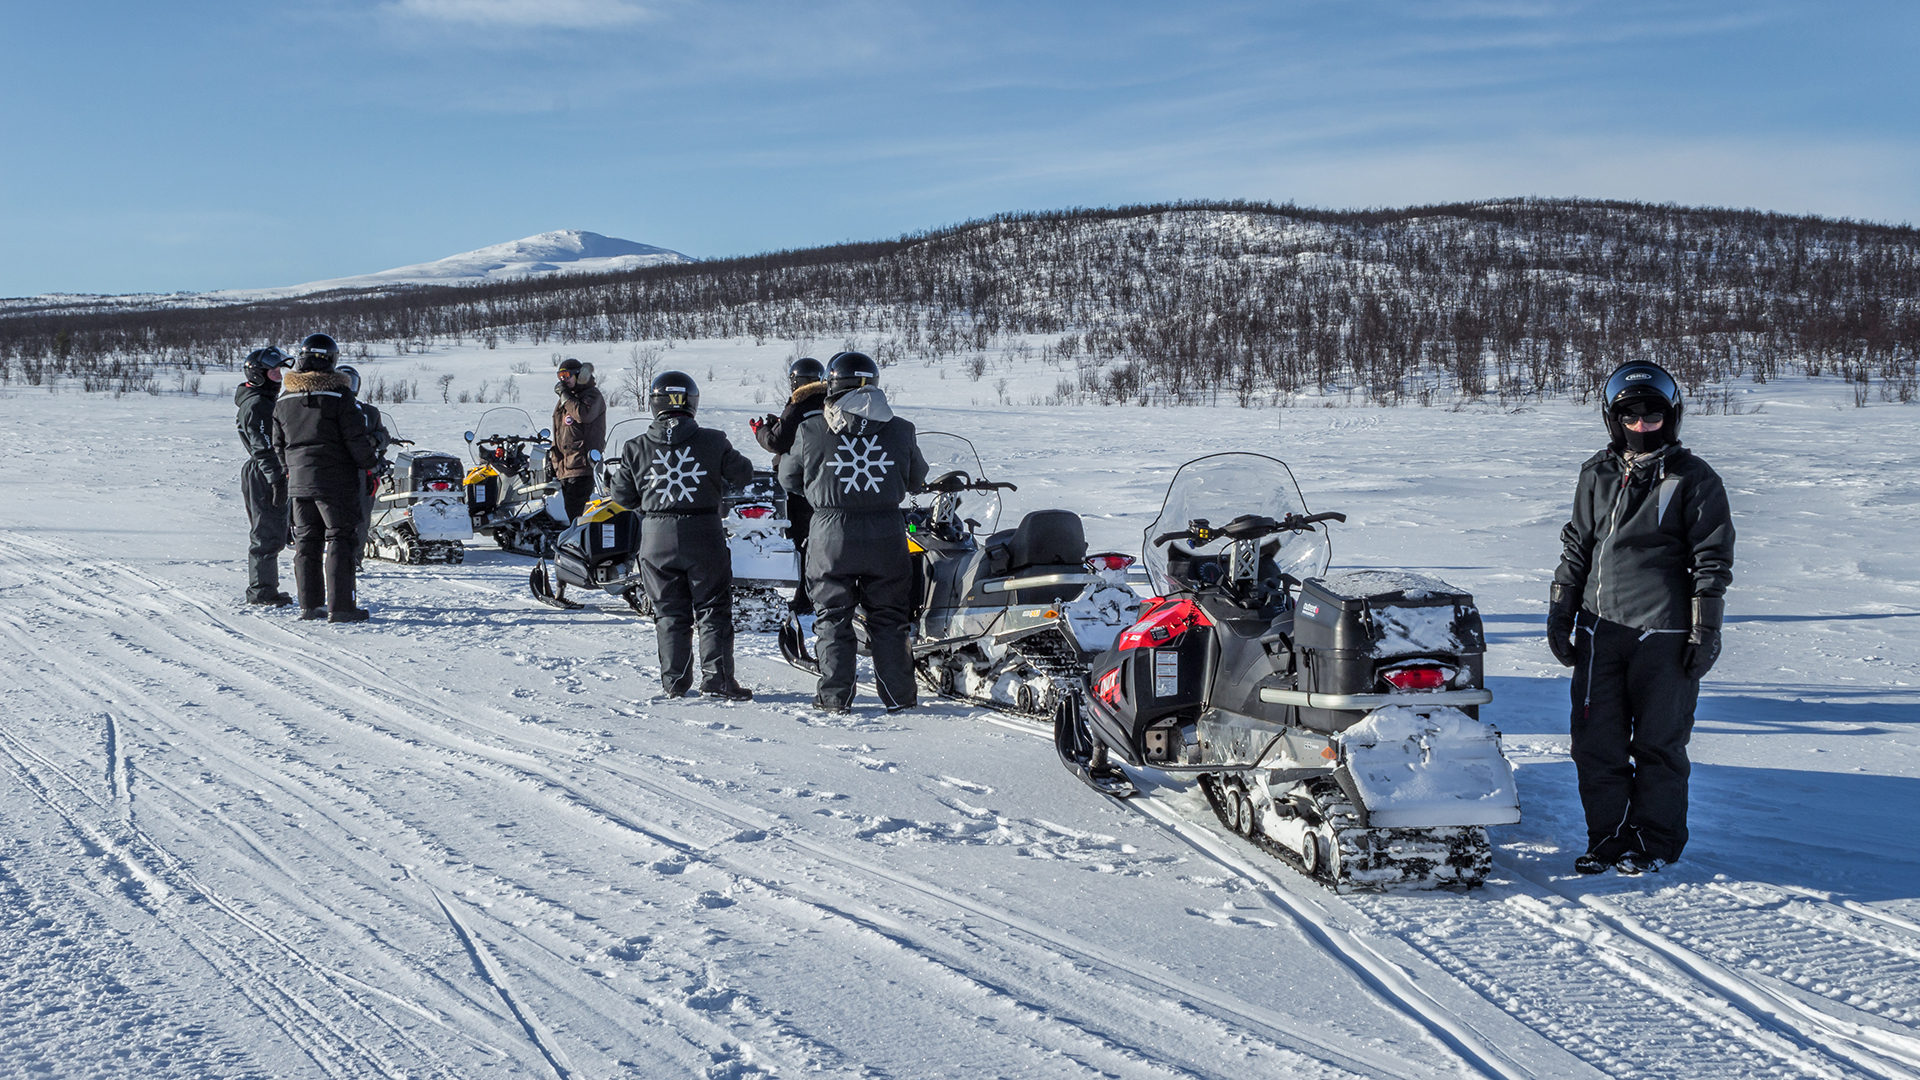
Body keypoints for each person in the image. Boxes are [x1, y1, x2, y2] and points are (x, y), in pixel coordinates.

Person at [1547, 360, 1734, 875]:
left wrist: (1706, 627)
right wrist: (1560, 609)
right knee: (1596, 744)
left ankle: (1653, 842)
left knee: (1659, 745)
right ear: (1614, 417)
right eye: (1631, 414)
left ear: (1671, 416)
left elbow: (1712, 559)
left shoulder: (1695, 478)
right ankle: (1607, 838)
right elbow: (1577, 547)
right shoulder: (1597, 473)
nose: (1643, 423)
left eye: (1653, 413)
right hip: (1600, 630)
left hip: (1667, 634)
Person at [777, 351, 928, 713]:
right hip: (887, 533)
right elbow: (917, 478)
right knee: (890, 618)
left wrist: (822, 491)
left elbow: (788, 477)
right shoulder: (901, 429)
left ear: (832, 385)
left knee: (832, 617)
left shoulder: (812, 429)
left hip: (832, 534)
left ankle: (835, 697)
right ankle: (899, 697)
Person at [610, 371, 755, 700]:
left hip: (656, 537)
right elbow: (743, 474)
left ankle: (675, 684)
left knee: (669, 612)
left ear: (654, 404)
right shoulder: (714, 440)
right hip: (704, 533)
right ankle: (717, 681)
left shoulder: (635, 447)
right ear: (692, 402)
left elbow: (621, 496)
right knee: (712, 609)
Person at [273, 333, 379, 623]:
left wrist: (290, 468)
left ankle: (310, 606)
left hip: (299, 481)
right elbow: (357, 439)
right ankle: (342, 607)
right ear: (331, 360)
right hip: (336, 481)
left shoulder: (284, 399)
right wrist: (370, 464)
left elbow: (278, 444)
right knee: (340, 539)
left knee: (307, 542)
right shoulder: (340, 396)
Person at [751, 356, 827, 614]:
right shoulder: (832, 404)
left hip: (798, 481)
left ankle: (806, 597)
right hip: (828, 478)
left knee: (802, 541)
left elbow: (777, 443)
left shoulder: (797, 407)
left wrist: (761, 430)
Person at [236, 346, 293, 606]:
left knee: (276, 530)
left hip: (270, 468)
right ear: (258, 375)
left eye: (280, 371)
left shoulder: (265, 400)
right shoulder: (258, 403)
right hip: (264, 470)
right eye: (273, 372)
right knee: (266, 532)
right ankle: (261, 591)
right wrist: (276, 477)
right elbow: (262, 445)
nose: (279, 377)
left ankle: (265, 587)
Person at [335, 365, 391, 570]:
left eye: (352, 382)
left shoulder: (369, 412)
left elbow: (385, 436)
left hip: (363, 469)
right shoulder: (328, 407)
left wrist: (374, 440)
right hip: (336, 468)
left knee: (361, 517)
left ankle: (355, 558)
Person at [550, 358, 607, 522]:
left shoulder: (592, 396)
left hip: (582, 465)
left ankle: (580, 544)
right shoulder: (567, 399)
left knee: (576, 511)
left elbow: (582, 414)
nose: (563, 379)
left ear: (580, 375)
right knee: (570, 510)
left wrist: (565, 396)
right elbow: (560, 432)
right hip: (565, 467)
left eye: (567, 375)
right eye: (560, 375)